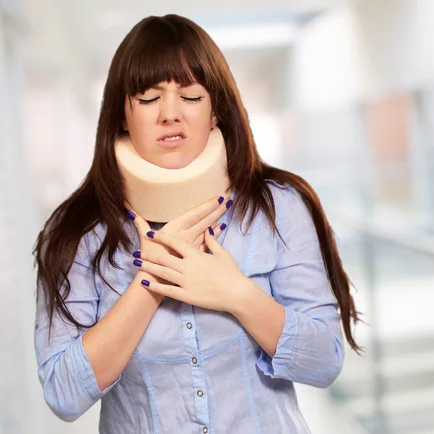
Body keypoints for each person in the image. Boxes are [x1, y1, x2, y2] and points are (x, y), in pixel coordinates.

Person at [33, 13, 360, 434]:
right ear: (121, 116)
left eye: (190, 96)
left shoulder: (278, 207)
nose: (171, 114)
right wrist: (151, 281)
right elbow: (63, 394)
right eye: (149, 99)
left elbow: (325, 361)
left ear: (216, 111)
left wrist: (237, 294)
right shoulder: (77, 232)